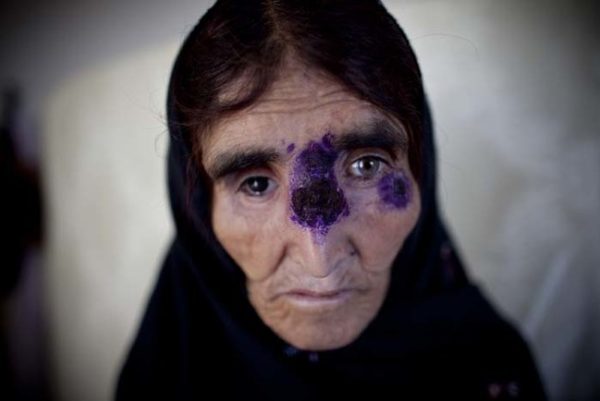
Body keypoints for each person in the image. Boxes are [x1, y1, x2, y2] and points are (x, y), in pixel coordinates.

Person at [116, 1, 546, 399]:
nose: (319, 261)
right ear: (197, 209)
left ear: (421, 170)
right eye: (256, 184)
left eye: (367, 166)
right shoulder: (167, 371)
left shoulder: (491, 371)